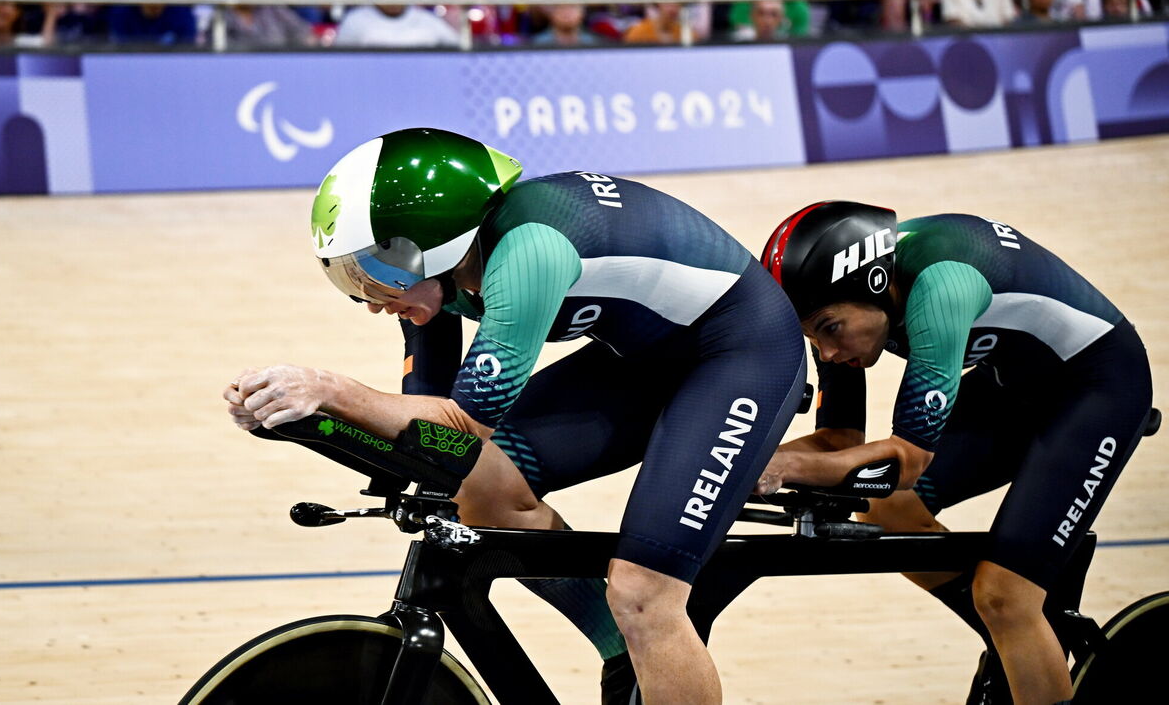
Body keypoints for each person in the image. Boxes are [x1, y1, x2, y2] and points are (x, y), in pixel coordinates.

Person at [224, 127, 807, 704]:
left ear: (436, 241)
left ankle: (643, 626)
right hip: (644, 360)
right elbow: (434, 443)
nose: (372, 297)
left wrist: (328, 389)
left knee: (644, 595)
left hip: (742, 355)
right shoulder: (436, 269)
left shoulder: (530, 252)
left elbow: (462, 425)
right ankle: (623, 653)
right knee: (477, 489)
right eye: (351, 277)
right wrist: (303, 420)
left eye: (375, 270)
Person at [756, 201, 1153, 705]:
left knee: (1006, 596)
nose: (827, 353)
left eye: (830, 329)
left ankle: (1017, 621)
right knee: (888, 510)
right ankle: (1020, 637)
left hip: (1098, 388)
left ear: (875, 284)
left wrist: (785, 467)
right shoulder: (835, 298)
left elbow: (907, 460)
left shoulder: (942, 285)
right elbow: (839, 442)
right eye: (811, 335)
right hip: (1013, 386)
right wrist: (746, 459)